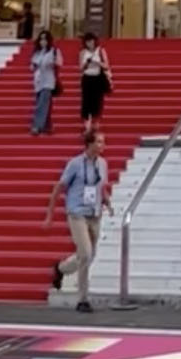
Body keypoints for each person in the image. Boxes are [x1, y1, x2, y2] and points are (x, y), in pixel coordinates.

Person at [45, 128, 113, 312]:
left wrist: (107, 202)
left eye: (103, 142)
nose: (102, 146)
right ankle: (83, 298)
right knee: (85, 252)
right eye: (98, 142)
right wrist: (50, 214)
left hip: (95, 212)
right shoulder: (75, 164)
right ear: (89, 144)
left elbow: (100, 187)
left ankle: (62, 268)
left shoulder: (103, 164)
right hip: (77, 212)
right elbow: (59, 187)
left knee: (88, 255)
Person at [28, 30, 61, 137]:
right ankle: (48, 125)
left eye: (45, 39)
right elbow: (32, 66)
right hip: (38, 80)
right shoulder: (37, 52)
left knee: (42, 104)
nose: (43, 41)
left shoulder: (53, 51)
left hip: (48, 80)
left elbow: (59, 63)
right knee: (45, 104)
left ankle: (37, 126)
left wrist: (53, 62)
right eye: (41, 39)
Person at [78, 33, 113, 124]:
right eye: (87, 42)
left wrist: (97, 63)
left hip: (98, 78)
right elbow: (81, 68)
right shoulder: (83, 52)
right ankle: (87, 125)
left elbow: (106, 65)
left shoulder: (101, 51)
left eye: (91, 41)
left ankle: (95, 124)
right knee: (86, 102)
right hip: (87, 78)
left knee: (97, 102)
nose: (89, 43)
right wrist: (86, 63)